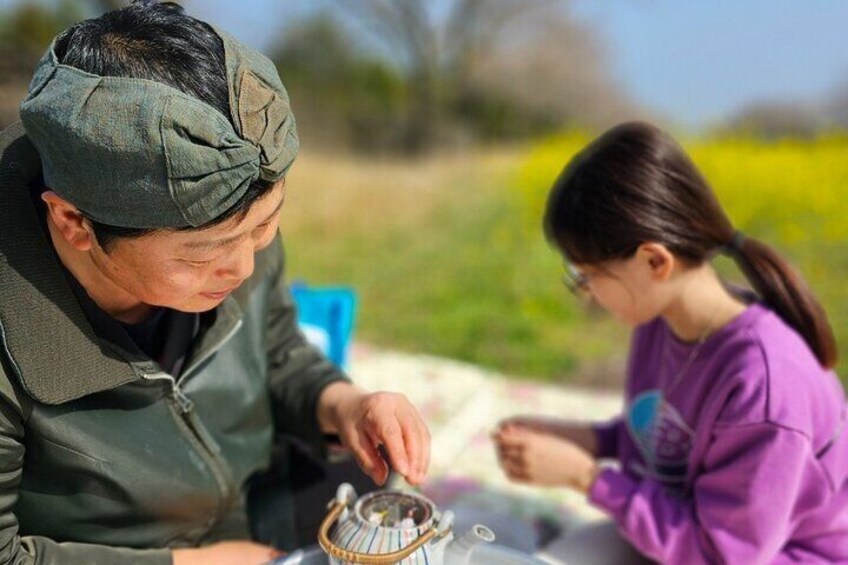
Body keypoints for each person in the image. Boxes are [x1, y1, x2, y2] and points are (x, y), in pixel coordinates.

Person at [0, 2, 430, 564]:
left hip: (259, 499)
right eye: (203, 255)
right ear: (74, 222)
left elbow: (275, 347)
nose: (244, 269)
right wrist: (198, 564)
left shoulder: (234, 192)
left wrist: (342, 404)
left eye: (266, 227)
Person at [492, 121, 848, 564]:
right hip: (685, 532)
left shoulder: (766, 385)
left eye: (588, 276)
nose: (588, 295)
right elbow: (672, 442)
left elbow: (720, 553)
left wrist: (587, 478)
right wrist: (590, 440)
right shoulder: (661, 319)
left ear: (654, 260)